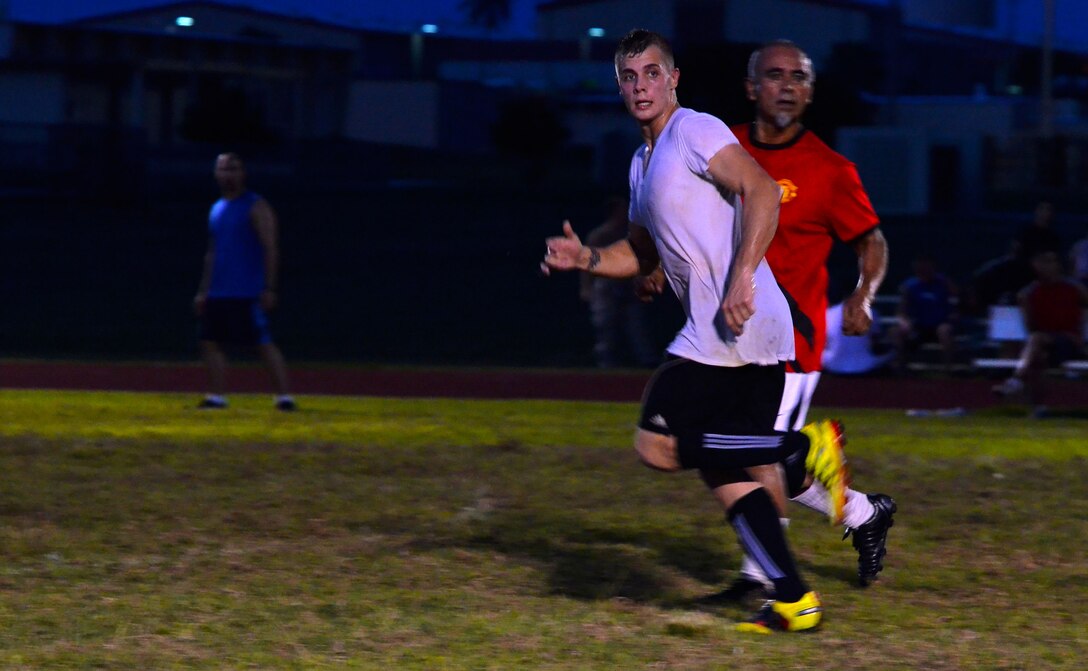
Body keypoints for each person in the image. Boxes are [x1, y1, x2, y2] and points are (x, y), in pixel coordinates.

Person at [542, 29, 852, 634]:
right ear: (618, 86)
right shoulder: (641, 162)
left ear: (674, 78)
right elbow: (639, 252)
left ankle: (796, 450)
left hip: (736, 321)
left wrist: (740, 277)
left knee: (656, 444)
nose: (641, 86)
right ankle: (794, 599)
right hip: (736, 328)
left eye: (652, 73)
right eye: (629, 77)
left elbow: (761, 189)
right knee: (722, 470)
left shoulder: (696, 130)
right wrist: (588, 260)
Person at [642, 40, 896, 593]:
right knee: (745, 451)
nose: (786, 86)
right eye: (774, 76)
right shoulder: (717, 143)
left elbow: (870, 240)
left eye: (798, 78)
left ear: (809, 93)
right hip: (724, 333)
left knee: (750, 454)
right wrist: (664, 264)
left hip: (789, 340)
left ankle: (763, 577)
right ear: (751, 87)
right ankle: (860, 513)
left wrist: (864, 295)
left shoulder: (829, 169)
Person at [193, 152, 296, 411]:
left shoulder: (255, 205)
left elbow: (270, 247)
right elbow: (212, 252)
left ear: (243, 173)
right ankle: (217, 396)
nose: (228, 174)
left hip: (246, 290)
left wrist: (269, 287)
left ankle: (284, 397)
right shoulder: (216, 207)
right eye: (223, 169)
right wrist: (204, 290)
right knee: (209, 342)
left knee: (261, 343)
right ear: (216, 173)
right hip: (219, 291)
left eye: (233, 169)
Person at [993, 249, 1088, 416]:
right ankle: (1038, 409)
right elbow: (1031, 327)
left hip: (1070, 342)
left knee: (1036, 342)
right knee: (1038, 357)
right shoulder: (1027, 294)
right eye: (1043, 262)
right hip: (1046, 343)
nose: (1047, 266)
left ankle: (1015, 381)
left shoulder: (1075, 289)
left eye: (1051, 262)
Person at [580, 197, 659, 368]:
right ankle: (605, 364)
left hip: (628, 285)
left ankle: (646, 362)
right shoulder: (599, 235)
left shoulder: (631, 232)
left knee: (636, 326)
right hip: (605, 288)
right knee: (605, 327)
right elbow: (588, 264)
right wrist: (586, 288)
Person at [890, 254, 959, 372]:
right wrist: (904, 322)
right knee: (896, 332)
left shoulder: (944, 282)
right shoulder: (909, 286)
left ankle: (948, 369)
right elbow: (901, 311)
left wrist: (954, 315)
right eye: (921, 268)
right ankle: (900, 367)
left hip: (939, 324)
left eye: (927, 268)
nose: (924, 271)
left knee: (945, 331)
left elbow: (959, 298)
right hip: (919, 325)